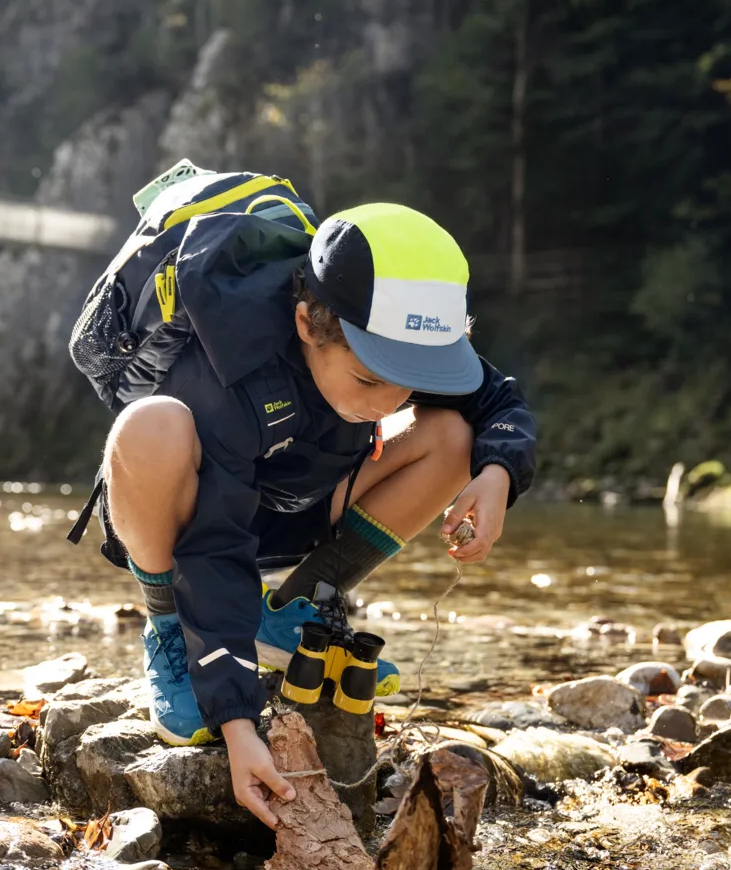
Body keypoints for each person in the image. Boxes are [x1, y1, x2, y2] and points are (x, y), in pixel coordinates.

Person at [91, 201, 536, 828]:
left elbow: (497, 399)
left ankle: (296, 606)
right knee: (149, 427)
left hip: (299, 499)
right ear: (307, 323)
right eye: (368, 379)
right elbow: (212, 547)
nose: (391, 400)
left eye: (406, 380)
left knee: (457, 436)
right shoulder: (231, 357)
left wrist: (496, 474)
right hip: (188, 514)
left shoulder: (390, 345)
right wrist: (238, 722)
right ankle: (168, 633)